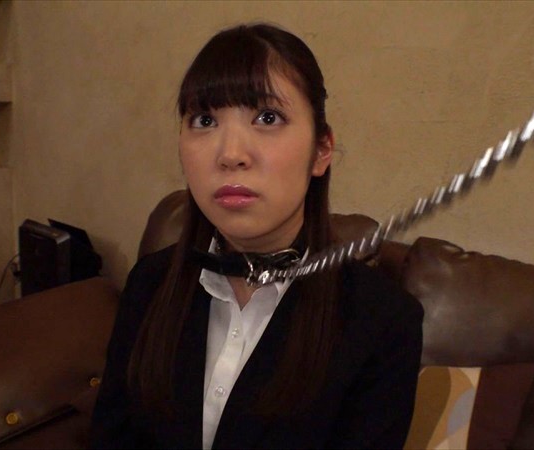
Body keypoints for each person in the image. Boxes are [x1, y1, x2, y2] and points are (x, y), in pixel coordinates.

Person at [90, 23, 423, 449]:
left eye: (268, 118)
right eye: (205, 120)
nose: (230, 154)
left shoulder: (385, 322)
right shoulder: (148, 284)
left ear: (321, 150)